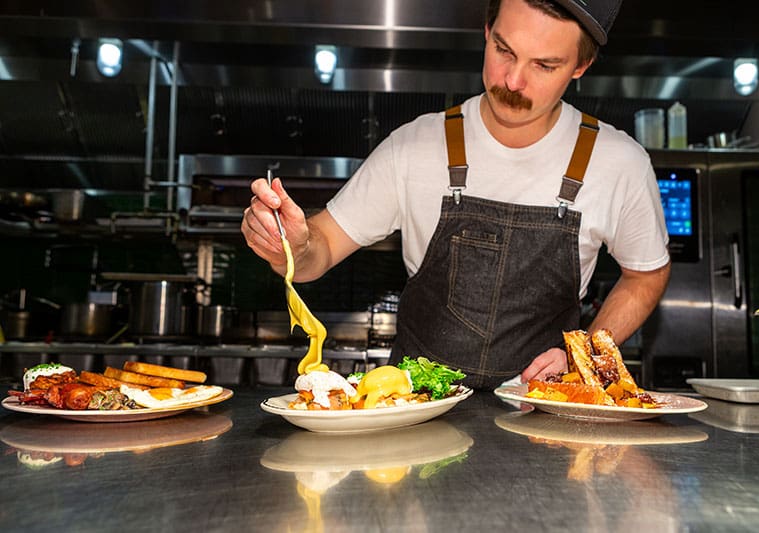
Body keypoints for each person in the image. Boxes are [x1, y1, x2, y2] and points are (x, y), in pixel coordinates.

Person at [242, 0, 671, 390]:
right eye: (504, 50)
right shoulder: (413, 146)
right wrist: (292, 246)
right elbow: (320, 249)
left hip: (547, 418)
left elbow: (646, 274)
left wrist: (588, 355)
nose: (513, 81)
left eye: (544, 65)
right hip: (413, 415)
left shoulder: (617, 162)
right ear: (487, 30)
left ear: (581, 66)